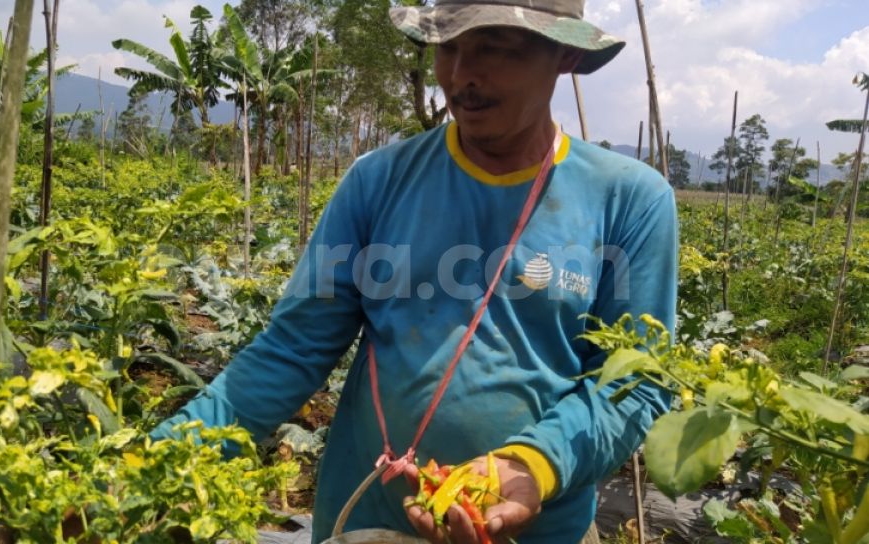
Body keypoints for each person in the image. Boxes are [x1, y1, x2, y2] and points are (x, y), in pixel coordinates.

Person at [151, 0, 678, 542]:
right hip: (368, 518)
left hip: (541, 529)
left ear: (564, 55)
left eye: (497, 48)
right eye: (448, 47)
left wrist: (533, 466)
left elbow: (633, 383)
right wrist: (154, 468)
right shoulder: (377, 181)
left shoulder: (628, 201)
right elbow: (291, 349)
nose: (462, 75)